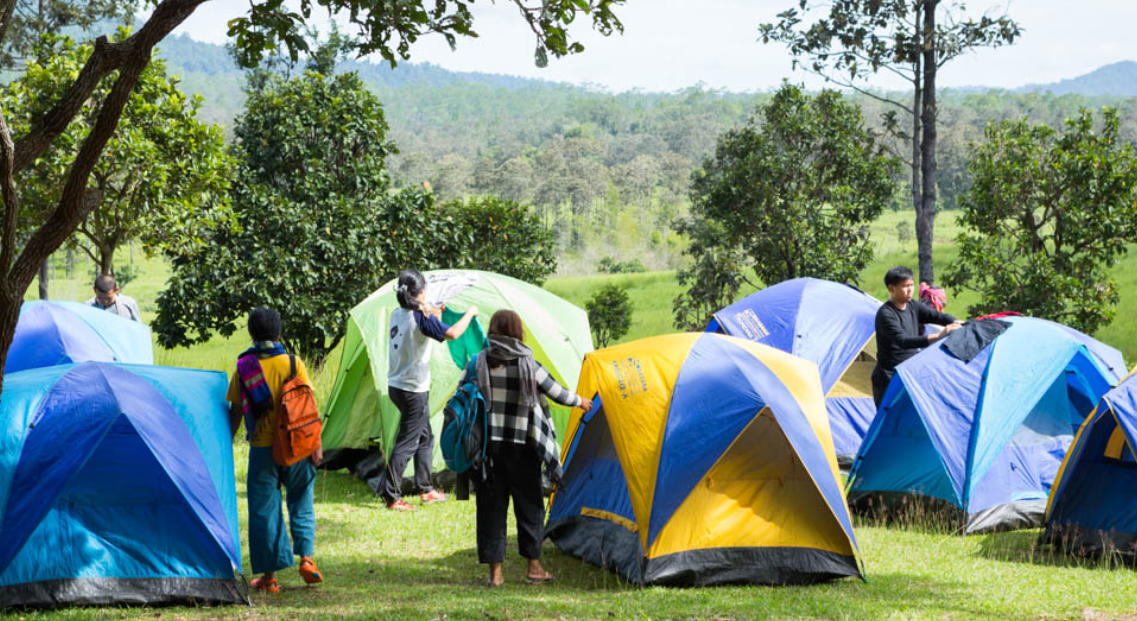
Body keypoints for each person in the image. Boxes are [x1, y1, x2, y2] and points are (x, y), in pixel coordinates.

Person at [467, 309, 592, 587]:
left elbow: (462, 395)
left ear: (493, 330)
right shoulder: (529, 363)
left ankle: (495, 574)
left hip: (489, 449)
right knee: (530, 508)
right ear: (517, 332)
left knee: (491, 509)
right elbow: (557, 392)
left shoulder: (478, 363)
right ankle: (534, 568)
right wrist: (581, 401)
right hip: (524, 448)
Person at [227, 307, 324, 593]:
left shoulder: (244, 366)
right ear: (279, 332)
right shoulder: (293, 363)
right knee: (301, 499)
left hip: (261, 448)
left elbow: (234, 410)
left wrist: (226, 444)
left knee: (264, 511)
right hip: (296, 445)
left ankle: (270, 578)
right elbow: (307, 406)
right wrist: (316, 445)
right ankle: (306, 559)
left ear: (251, 333)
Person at [381, 269, 478, 511]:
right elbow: (453, 333)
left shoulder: (398, 313)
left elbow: (420, 321)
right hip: (413, 390)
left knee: (425, 437)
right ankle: (391, 496)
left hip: (397, 386)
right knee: (408, 441)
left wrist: (434, 311)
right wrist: (470, 313)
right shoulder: (421, 319)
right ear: (419, 294)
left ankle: (425, 488)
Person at [873, 267, 962, 408]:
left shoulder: (913, 305)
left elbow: (936, 316)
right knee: (891, 424)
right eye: (904, 286)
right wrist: (939, 335)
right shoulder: (886, 314)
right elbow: (903, 341)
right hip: (889, 378)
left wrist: (956, 322)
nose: (910, 290)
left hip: (909, 373)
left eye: (911, 285)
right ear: (891, 288)